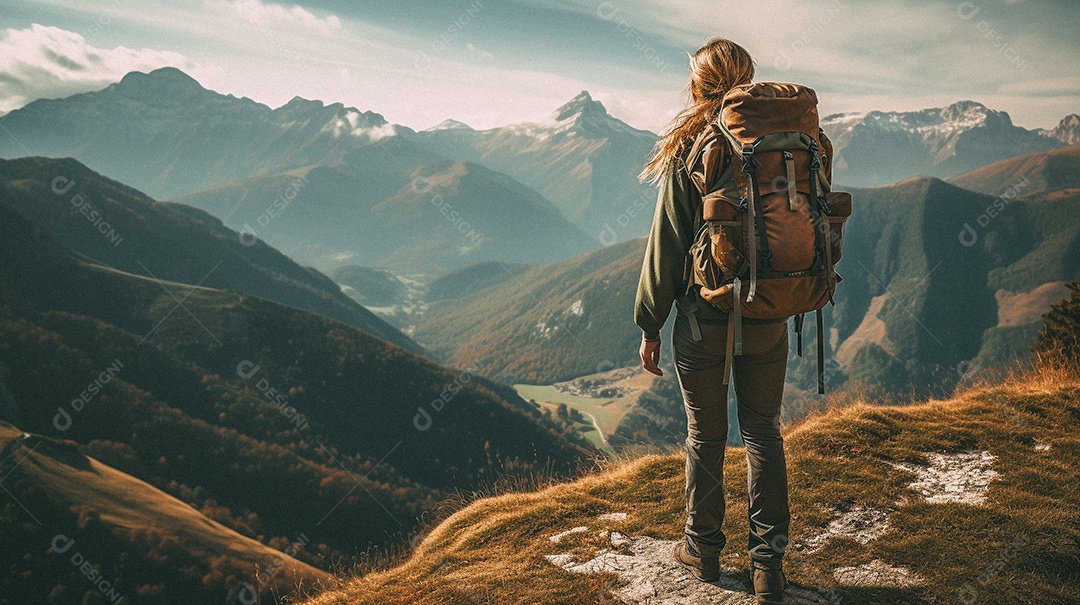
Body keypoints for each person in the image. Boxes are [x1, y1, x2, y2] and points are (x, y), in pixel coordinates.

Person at [634, 38, 793, 605]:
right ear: (748, 77)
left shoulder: (690, 146)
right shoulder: (783, 141)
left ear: (697, 83)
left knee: (706, 433)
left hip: (705, 317)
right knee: (763, 430)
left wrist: (650, 324)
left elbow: (666, 246)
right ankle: (769, 566)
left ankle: (702, 550)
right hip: (769, 312)